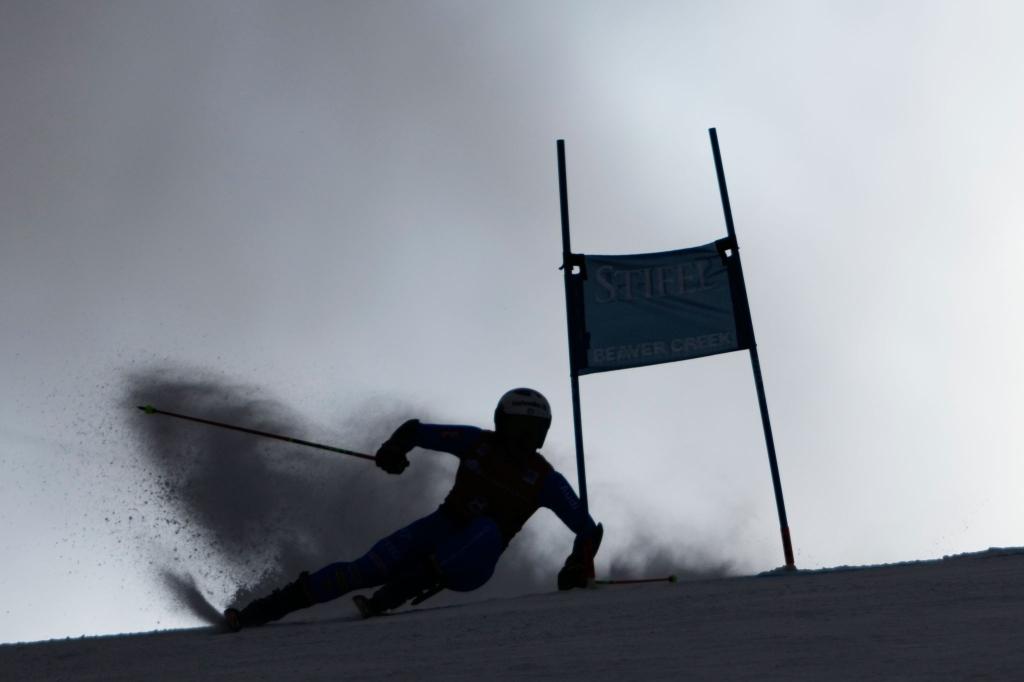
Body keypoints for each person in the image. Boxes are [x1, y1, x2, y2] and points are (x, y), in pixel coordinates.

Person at [224, 388, 602, 631]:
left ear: (542, 435)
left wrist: (576, 564)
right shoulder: (477, 443)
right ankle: (266, 608)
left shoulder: (543, 478)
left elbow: (587, 528)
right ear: (501, 424)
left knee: (486, 529)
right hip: (440, 527)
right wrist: (394, 449)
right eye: (517, 428)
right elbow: (415, 430)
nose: (522, 440)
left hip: (475, 560)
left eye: (531, 432)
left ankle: (403, 588)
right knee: (364, 568)